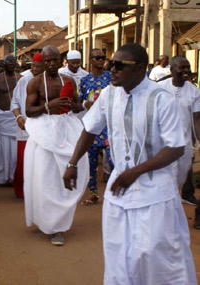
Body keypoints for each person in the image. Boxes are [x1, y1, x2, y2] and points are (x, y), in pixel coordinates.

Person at [64, 43, 197, 284]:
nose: (110, 69)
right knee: (119, 255)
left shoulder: (161, 98)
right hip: (120, 191)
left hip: (154, 194)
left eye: (119, 65)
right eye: (110, 63)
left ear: (140, 70)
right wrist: (72, 163)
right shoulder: (109, 94)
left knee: (154, 257)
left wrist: (136, 171)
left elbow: (176, 147)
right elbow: (90, 129)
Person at [24, 45, 88, 245]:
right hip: (44, 131)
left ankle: (59, 224)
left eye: (54, 60)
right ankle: (48, 223)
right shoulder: (34, 83)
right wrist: (47, 106)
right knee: (45, 179)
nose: (51, 64)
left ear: (61, 61)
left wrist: (78, 104)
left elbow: (77, 105)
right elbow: (29, 111)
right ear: (42, 62)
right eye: (47, 61)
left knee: (67, 175)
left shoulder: (69, 81)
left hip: (66, 129)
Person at [158, 56, 200, 206]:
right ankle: (168, 208)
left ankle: (176, 199)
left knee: (180, 178)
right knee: (165, 177)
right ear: (171, 70)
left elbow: (196, 119)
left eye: (188, 67)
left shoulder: (194, 92)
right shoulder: (159, 88)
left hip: (184, 144)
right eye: (182, 67)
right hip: (161, 143)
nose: (186, 71)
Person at [78, 48, 113, 205]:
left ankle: (115, 193)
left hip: (108, 126)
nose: (101, 60)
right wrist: (86, 103)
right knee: (91, 162)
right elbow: (78, 101)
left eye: (103, 58)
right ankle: (93, 193)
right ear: (91, 59)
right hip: (92, 126)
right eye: (98, 58)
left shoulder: (111, 79)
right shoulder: (85, 81)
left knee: (113, 160)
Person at [11, 52, 44, 198]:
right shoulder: (24, 80)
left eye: (38, 66)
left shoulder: (48, 80)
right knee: (23, 161)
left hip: (43, 127)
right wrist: (18, 117)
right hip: (25, 126)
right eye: (34, 66)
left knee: (41, 161)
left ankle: (39, 191)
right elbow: (15, 102)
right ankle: (21, 191)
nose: (35, 69)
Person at [0, 55, 21, 185]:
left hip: (16, 117)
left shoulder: (21, 78)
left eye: (13, 62)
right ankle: (2, 177)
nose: (11, 64)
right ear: (4, 64)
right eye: (8, 62)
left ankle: (14, 176)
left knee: (16, 151)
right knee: (2, 150)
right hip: (2, 117)